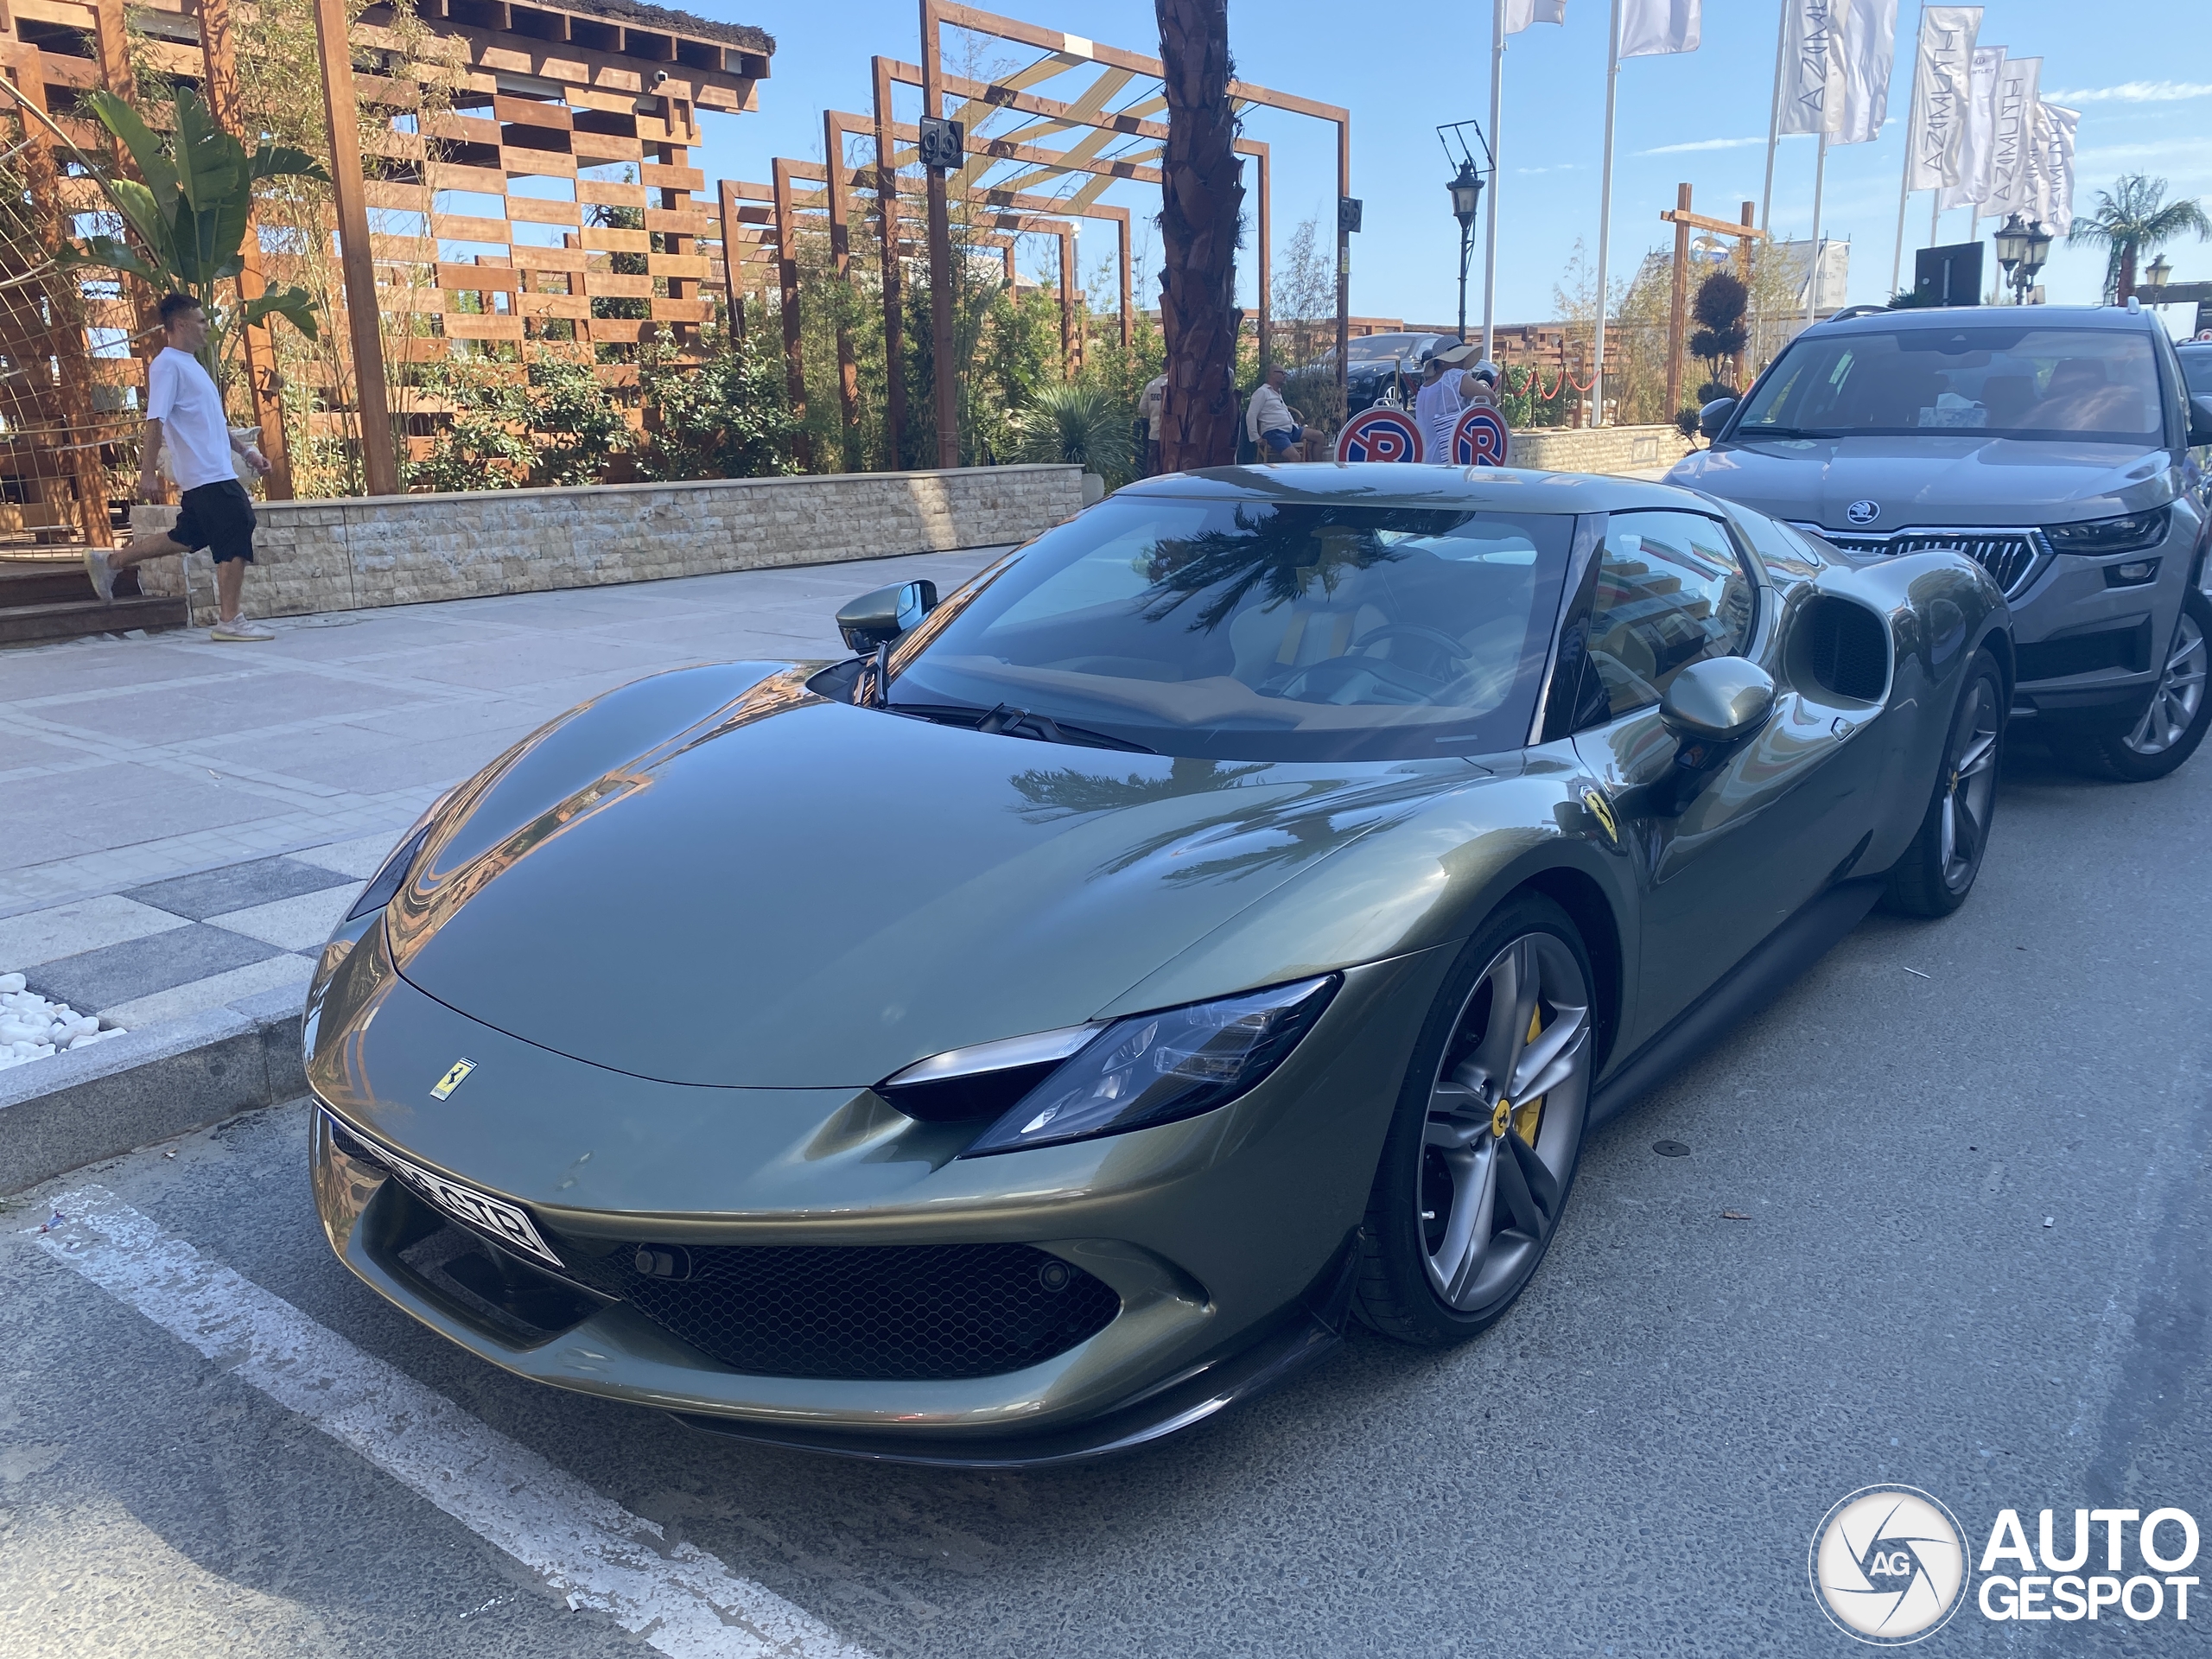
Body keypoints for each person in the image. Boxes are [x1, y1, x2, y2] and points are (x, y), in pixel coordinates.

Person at [85, 292, 274, 641]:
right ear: (182, 324)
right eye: (202, 321)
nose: (207, 327)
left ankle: (108, 563)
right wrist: (146, 473)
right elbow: (154, 422)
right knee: (239, 522)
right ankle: (229, 621)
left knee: (186, 537)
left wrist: (247, 453)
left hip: (214, 470)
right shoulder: (166, 365)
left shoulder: (191, 364)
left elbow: (213, 422)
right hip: (206, 475)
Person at [1414, 345, 1471, 461]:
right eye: (1458, 357)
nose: (1463, 361)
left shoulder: (1423, 389)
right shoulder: (1455, 376)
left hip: (1425, 459)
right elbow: (1490, 398)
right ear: (1443, 362)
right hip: (1451, 456)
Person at [1245, 364, 1305, 461]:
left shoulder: (1278, 392)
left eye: (1285, 373)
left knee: (1319, 436)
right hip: (1275, 432)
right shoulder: (1262, 392)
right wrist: (1256, 438)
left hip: (1291, 429)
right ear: (1272, 374)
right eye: (1282, 373)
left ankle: (1318, 472)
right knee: (1295, 457)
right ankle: (1291, 477)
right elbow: (1251, 415)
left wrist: (1293, 422)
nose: (1285, 376)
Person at [1137, 372, 1167, 476]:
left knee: (1154, 467)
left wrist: (1152, 417)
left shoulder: (1152, 385)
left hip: (1155, 432)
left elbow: (1142, 407)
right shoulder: (1174, 384)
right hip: (1174, 436)